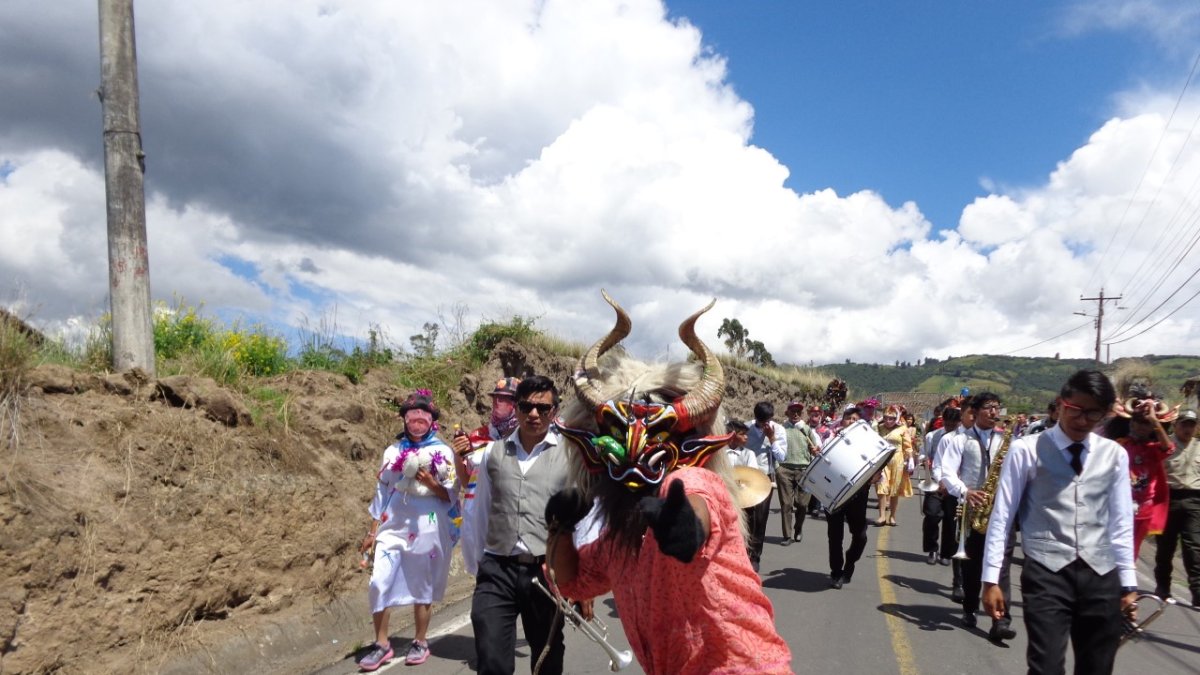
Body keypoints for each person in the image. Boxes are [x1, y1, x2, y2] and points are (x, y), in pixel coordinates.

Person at [546, 294, 791, 674]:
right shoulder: (618, 536)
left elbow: (696, 502)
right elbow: (574, 582)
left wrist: (685, 526)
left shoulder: (692, 480)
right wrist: (560, 526)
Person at [983, 370, 1137, 675]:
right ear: (1061, 403)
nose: (1081, 421)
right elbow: (1002, 515)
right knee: (1046, 666)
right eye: (1075, 410)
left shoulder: (1114, 455)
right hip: (1046, 573)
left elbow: (1120, 522)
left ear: (1105, 415)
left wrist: (1128, 583)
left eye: (1093, 414)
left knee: (1098, 666)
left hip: (1101, 574)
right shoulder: (1025, 449)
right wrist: (990, 580)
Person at [459, 375, 574, 675]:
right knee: (491, 658)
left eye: (543, 408)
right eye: (526, 406)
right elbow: (478, 511)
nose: (534, 414)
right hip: (497, 570)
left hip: (545, 571)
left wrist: (580, 579)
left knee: (547, 660)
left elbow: (579, 520)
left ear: (554, 412)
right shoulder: (492, 454)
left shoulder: (569, 456)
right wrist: (479, 563)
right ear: (517, 409)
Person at [357, 391, 458, 671]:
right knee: (379, 581)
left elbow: (451, 495)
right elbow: (383, 490)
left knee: (422, 585)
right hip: (394, 522)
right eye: (411, 418)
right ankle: (381, 644)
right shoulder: (392, 451)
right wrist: (373, 530)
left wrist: (430, 481)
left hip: (428, 523)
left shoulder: (443, 452)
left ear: (431, 421)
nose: (416, 423)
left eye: (422, 418)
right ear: (404, 420)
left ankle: (420, 640)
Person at [935, 392, 1016, 641]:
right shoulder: (960, 440)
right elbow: (947, 472)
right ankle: (970, 607)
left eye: (997, 408)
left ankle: (1001, 620)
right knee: (972, 566)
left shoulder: (1005, 442)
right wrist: (965, 491)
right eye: (989, 408)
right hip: (972, 511)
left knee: (1001, 566)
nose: (994, 413)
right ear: (977, 411)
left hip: (999, 511)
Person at [1113, 398, 1176, 560]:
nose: (1141, 426)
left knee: (1131, 551)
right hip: (1116, 504)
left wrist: (1154, 420)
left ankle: (1124, 583)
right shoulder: (1119, 445)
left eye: (1146, 423)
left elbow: (1169, 448)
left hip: (1142, 510)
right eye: (1138, 421)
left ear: (1152, 428)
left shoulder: (1154, 450)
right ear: (1130, 423)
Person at [451, 377, 522, 504]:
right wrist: (457, 457)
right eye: (495, 397)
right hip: (477, 511)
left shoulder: (526, 439)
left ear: (517, 403)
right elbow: (467, 482)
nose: (496, 402)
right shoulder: (477, 435)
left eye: (504, 398)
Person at [827, 405, 874, 589]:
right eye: (849, 418)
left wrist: (875, 475)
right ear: (843, 421)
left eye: (856, 419)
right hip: (834, 493)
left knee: (860, 536)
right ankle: (836, 572)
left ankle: (851, 561)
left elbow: (878, 464)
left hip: (858, 495)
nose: (852, 422)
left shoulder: (868, 441)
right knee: (835, 536)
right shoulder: (831, 438)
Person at [1157, 408, 1200, 604]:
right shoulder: (1166, 446)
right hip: (1169, 498)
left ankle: (1198, 592)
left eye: (1192, 424)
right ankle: (1163, 587)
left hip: (1194, 500)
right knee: (1166, 546)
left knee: (1194, 546)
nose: (1188, 428)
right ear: (1176, 425)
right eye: (1184, 424)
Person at [744, 401, 787, 569]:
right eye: (760, 422)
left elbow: (782, 457)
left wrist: (772, 438)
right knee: (746, 516)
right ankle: (743, 551)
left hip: (765, 476)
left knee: (761, 517)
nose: (763, 425)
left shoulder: (779, 430)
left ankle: (755, 556)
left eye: (766, 421)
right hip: (746, 475)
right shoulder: (746, 428)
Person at [921, 406, 961, 567]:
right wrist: (923, 459)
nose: (951, 427)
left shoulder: (963, 438)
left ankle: (947, 552)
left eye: (954, 424)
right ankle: (932, 548)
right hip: (936, 482)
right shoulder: (933, 436)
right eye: (948, 423)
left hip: (956, 485)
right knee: (932, 515)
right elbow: (925, 454)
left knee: (951, 520)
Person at [778, 401, 820, 544]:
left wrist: (815, 450)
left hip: (804, 469)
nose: (795, 414)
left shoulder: (807, 429)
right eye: (792, 411)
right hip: (785, 469)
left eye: (798, 411)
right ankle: (787, 535)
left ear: (801, 414)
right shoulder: (781, 429)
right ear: (787, 413)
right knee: (786, 504)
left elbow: (815, 450)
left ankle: (798, 528)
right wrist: (777, 467)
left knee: (802, 504)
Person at [724, 420, 763, 559]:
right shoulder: (720, 453)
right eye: (743, 435)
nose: (746, 437)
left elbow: (752, 474)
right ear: (732, 435)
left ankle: (748, 555)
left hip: (744, 498)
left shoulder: (749, 454)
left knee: (747, 527)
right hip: (725, 496)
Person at [874, 404, 914, 527]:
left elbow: (907, 446)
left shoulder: (902, 429)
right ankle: (881, 516)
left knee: (894, 489)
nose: (888, 421)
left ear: (896, 418)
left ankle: (892, 516)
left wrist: (910, 459)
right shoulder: (879, 428)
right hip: (883, 460)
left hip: (897, 459)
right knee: (882, 486)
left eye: (891, 418)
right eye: (886, 418)